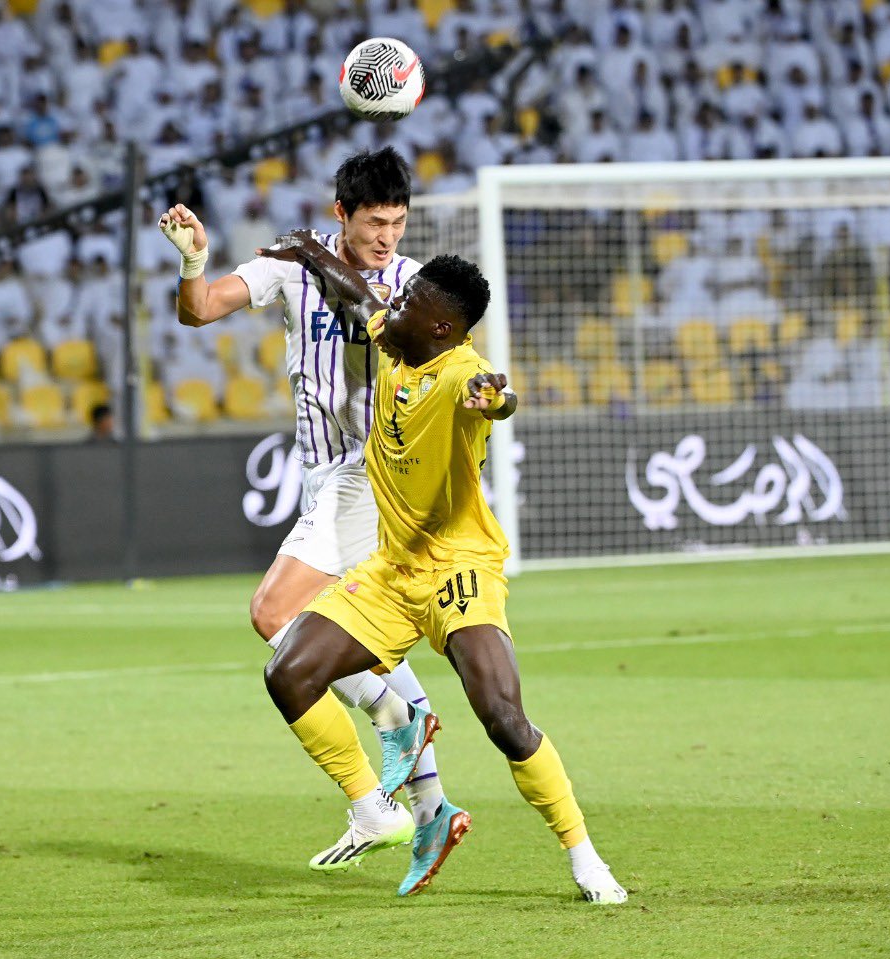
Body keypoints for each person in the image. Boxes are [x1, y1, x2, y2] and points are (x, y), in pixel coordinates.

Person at [256, 240, 627, 903]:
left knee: (503, 719)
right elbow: (359, 296)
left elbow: (497, 395)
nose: (391, 305)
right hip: (393, 571)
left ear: (440, 327)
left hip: (460, 570)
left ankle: (585, 857)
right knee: (289, 672)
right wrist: (311, 251)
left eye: (406, 302)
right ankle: (374, 808)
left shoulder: (461, 375)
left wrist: (497, 398)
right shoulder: (400, 342)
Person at [157, 148, 457, 870]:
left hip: (372, 474)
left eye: (398, 222)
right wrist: (194, 262)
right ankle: (429, 809)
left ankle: (377, 775)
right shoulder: (289, 265)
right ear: (341, 214)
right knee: (363, 642)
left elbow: (387, 323)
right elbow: (200, 310)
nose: (388, 236)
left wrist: (322, 261)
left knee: (273, 614)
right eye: (375, 222)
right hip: (326, 479)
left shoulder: (409, 282)